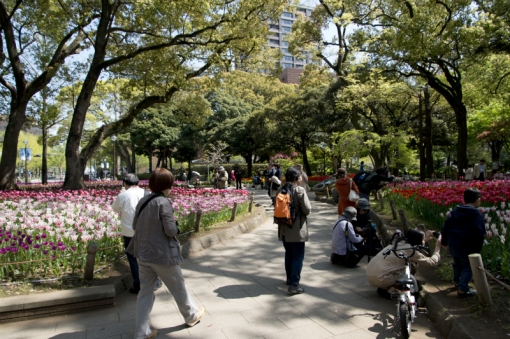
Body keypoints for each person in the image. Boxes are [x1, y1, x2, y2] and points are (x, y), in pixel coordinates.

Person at [127, 168, 205, 338]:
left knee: (145, 292)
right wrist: (176, 226)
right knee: (177, 285)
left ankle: (141, 332)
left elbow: (135, 226)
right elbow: (170, 231)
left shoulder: (144, 200)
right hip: (162, 255)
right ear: (166, 184)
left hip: (143, 254)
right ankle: (191, 315)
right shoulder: (163, 202)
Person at [366, 229, 441, 299]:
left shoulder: (397, 243)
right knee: (411, 268)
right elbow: (431, 262)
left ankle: (385, 287)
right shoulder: (410, 250)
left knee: (399, 265)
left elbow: (414, 244)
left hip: (371, 275)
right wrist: (437, 248)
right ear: (417, 240)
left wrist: (423, 240)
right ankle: (390, 290)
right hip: (380, 278)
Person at [111, 174, 155, 294]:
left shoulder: (123, 195)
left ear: (125, 183)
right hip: (146, 231)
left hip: (129, 232)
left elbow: (115, 209)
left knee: (133, 259)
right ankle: (155, 282)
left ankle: (138, 285)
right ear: (138, 182)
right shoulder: (147, 193)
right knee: (148, 256)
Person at [441, 188, 485, 298]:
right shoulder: (476, 214)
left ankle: (457, 282)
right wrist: (478, 248)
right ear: (478, 200)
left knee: (457, 263)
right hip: (468, 245)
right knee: (467, 267)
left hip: (454, 244)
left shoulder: (455, 212)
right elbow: (479, 233)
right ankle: (462, 289)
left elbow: (445, 227)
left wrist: (444, 240)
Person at [277, 167, 312, 294]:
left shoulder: (281, 190)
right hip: (296, 229)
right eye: (300, 176)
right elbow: (307, 209)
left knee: (289, 253)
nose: (302, 177)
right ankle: (294, 285)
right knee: (298, 256)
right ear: (297, 178)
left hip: (284, 228)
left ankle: (289, 279)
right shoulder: (299, 190)